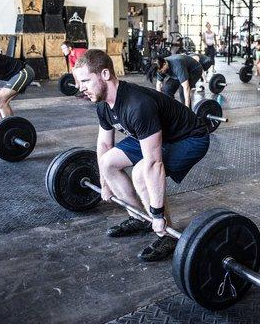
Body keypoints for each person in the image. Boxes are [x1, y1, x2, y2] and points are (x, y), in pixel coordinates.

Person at [72, 49, 210, 262]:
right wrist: (104, 182)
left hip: (189, 138)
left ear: (105, 75)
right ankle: (139, 218)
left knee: (140, 173)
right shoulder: (103, 105)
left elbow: (154, 164)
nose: (81, 89)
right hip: (155, 134)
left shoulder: (137, 105)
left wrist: (157, 213)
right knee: (108, 163)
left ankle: (166, 234)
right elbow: (104, 144)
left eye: (85, 81)